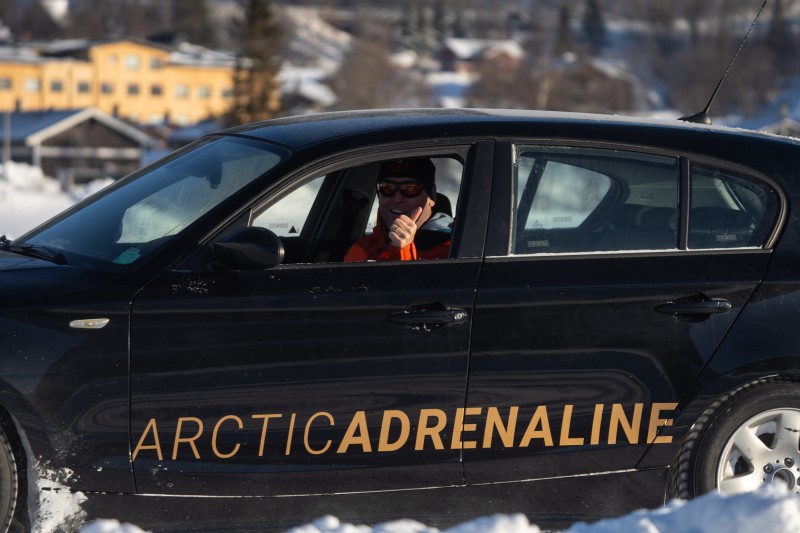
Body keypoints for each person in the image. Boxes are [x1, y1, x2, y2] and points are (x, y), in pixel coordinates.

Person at [344, 158, 453, 262]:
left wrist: (402, 251)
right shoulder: (361, 247)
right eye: (387, 187)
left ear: (431, 199)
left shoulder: (452, 252)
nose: (397, 199)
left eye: (410, 188)